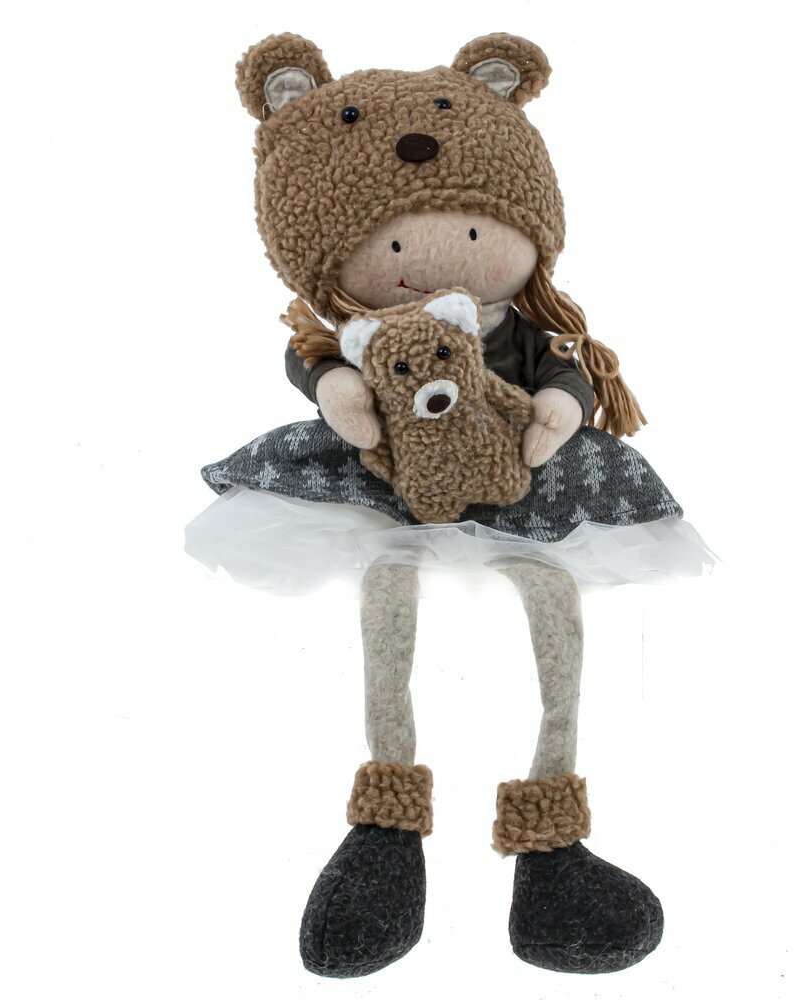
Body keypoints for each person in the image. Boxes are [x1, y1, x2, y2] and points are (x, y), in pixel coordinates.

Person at [185, 31, 715, 979]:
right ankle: (386, 832)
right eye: (390, 244)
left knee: (551, 606)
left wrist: (562, 405)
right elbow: (313, 360)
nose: (436, 261)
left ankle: (553, 841)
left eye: (476, 235)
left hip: (525, 479)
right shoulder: (353, 334)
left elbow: (564, 372)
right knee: (388, 599)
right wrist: (337, 391)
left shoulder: (527, 328)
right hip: (388, 483)